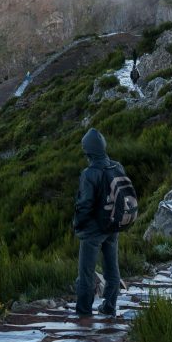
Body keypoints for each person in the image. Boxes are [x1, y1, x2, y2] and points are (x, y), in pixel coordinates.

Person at [73, 127, 133, 317]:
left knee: (86, 273)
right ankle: (109, 306)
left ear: (88, 151)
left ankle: (83, 312)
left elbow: (84, 205)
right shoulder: (117, 166)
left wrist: (78, 225)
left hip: (93, 230)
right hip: (113, 224)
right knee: (112, 268)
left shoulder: (89, 173)